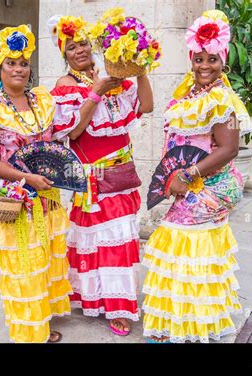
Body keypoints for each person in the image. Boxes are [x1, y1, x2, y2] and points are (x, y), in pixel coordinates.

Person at [142, 10, 251, 343]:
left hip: (213, 185)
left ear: (224, 60)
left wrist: (186, 175)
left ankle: (187, 326)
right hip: (197, 182)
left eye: (213, 59)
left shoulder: (223, 100)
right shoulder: (191, 94)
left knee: (178, 240)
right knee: (194, 248)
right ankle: (192, 322)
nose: (205, 65)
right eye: (199, 58)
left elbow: (229, 149)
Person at [47, 15, 154, 336]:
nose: (79, 50)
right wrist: (94, 93)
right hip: (93, 181)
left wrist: (141, 68)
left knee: (117, 242)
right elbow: (73, 131)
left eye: (83, 44)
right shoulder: (64, 88)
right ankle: (106, 304)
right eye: (71, 46)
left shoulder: (114, 78)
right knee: (97, 243)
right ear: (63, 53)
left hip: (121, 176)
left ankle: (117, 303)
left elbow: (146, 106)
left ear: (93, 47)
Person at [0, 25, 72, 343]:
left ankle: (40, 320)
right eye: (10, 62)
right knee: (24, 265)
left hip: (48, 197)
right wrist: (26, 178)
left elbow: (59, 137)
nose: (18, 69)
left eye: (23, 62)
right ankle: (29, 333)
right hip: (18, 202)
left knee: (45, 260)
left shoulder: (41, 101)